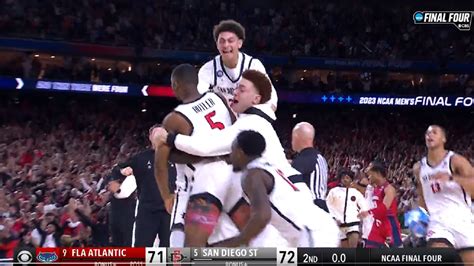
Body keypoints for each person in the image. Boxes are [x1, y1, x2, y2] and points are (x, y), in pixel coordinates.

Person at [153, 64, 240, 247]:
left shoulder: (175, 118)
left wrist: (167, 197)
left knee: (180, 246)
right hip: (226, 183)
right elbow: (234, 131)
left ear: (175, 84)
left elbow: (160, 164)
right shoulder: (217, 97)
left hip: (192, 189)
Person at [213, 130, 339, 247]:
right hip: (315, 226)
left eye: (232, 150)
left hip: (312, 232)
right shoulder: (268, 166)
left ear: (240, 152)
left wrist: (237, 241)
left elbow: (262, 216)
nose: (230, 155)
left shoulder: (252, 175)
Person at [414, 125, 474, 263]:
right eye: (427, 133)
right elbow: (422, 197)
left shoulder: (456, 160)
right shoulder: (419, 168)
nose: (430, 135)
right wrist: (419, 218)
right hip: (438, 223)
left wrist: (452, 178)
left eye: (434, 132)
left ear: (443, 138)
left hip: (463, 221)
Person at [112, 127, 177, 247]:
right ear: (150, 138)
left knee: (169, 249)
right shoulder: (140, 158)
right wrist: (122, 171)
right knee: (141, 248)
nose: (159, 138)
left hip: (170, 212)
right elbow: (116, 169)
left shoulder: (176, 158)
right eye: (156, 134)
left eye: (162, 135)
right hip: (147, 212)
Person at [197, 19, 278, 111]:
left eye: (230, 41)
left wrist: (260, 117)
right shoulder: (208, 69)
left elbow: (271, 98)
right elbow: (198, 98)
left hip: (248, 116)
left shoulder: (253, 65)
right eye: (222, 41)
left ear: (239, 43)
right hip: (221, 118)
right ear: (217, 45)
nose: (226, 45)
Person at [291, 122, 329, 212]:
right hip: (321, 206)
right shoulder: (319, 157)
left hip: (310, 208)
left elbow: (291, 186)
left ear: (296, 137)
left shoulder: (303, 160)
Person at [326, 169, 369, 248]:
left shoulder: (356, 192)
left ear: (351, 179)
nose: (345, 179)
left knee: (353, 247)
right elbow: (328, 205)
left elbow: (363, 205)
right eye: (343, 178)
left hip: (353, 223)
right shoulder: (334, 191)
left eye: (347, 178)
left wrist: (362, 213)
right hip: (340, 225)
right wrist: (333, 217)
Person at [364, 161, 402, 248]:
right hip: (377, 224)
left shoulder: (389, 189)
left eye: (370, 173)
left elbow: (382, 210)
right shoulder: (375, 188)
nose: (368, 175)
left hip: (390, 224)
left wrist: (368, 213)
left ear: (377, 173)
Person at [106, 165, 137, 247]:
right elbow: (115, 170)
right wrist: (122, 171)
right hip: (116, 218)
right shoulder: (116, 173)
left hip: (126, 219)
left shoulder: (131, 183)